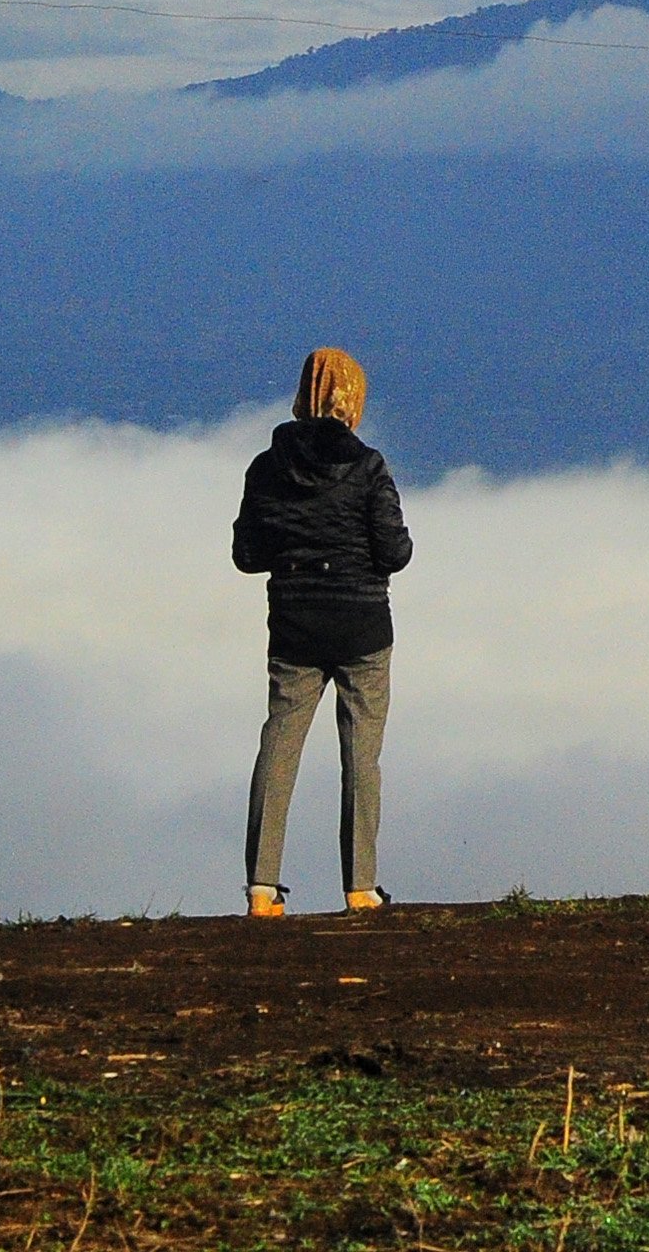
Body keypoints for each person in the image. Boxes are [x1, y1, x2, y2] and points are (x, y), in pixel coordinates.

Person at [233, 348, 412, 919]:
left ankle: (262, 888)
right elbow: (395, 551)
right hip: (362, 625)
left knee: (279, 747)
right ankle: (360, 887)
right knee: (362, 755)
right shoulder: (370, 467)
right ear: (352, 400)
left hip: (293, 625)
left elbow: (246, 555)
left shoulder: (267, 467)